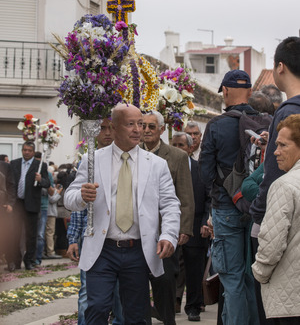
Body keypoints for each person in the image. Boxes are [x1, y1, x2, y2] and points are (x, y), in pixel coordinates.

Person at [64, 104, 181, 325]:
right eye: (131, 124)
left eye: (141, 124)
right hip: (102, 250)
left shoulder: (157, 165)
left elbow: (170, 204)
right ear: (115, 127)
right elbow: (69, 198)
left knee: (136, 315)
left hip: (137, 251)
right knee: (97, 307)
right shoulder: (93, 160)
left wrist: (169, 235)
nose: (138, 129)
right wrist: (81, 195)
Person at [199, 69, 259, 325]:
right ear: (250, 91)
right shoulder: (267, 121)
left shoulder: (215, 126)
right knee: (254, 279)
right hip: (258, 210)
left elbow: (205, 173)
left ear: (224, 91)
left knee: (232, 279)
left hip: (226, 209)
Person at [67, 118, 123, 325]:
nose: (107, 133)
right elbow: (78, 206)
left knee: (120, 294)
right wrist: (73, 238)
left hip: (118, 237)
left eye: (111, 127)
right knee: (87, 292)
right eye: (102, 128)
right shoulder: (88, 160)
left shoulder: (125, 159)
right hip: (90, 236)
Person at [141, 110, 194, 325]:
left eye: (151, 127)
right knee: (137, 285)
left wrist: (183, 229)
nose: (146, 130)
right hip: (139, 233)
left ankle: (167, 320)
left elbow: (185, 196)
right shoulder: (133, 153)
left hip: (165, 233)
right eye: (143, 126)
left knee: (164, 283)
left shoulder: (177, 156)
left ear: (162, 130)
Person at [252, 114, 300, 324]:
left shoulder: (284, 185)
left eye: (282, 145)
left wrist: (259, 273)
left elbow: (271, 245)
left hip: (289, 298)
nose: (275, 152)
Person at [250, 37, 300, 226]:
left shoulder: (288, 110)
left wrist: (259, 210)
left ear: (280, 67)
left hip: (285, 211)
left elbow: (274, 171)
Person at [172, 132, 210, 322]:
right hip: (170, 226)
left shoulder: (200, 169)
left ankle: (193, 306)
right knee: (168, 269)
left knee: (194, 270)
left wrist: (205, 222)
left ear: (190, 148)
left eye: (181, 145)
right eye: (174, 145)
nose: (177, 149)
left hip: (195, 227)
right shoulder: (164, 167)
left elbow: (209, 198)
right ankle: (169, 304)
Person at [10, 141, 50, 270]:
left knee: (31, 234)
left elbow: (47, 183)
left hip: (31, 204)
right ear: (22, 150)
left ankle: (29, 261)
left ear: (33, 152)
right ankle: (14, 261)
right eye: (24, 150)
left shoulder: (40, 165)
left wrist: (40, 180)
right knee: (14, 233)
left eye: (29, 150)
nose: (26, 152)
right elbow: (10, 182)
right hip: (17, 203)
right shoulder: (14, 163)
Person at [0, 160, 16, 271]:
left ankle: (10, 261)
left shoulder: (5, 166)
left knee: (7, 235)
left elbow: (11, 185)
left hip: (3, 207)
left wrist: (10, 203)